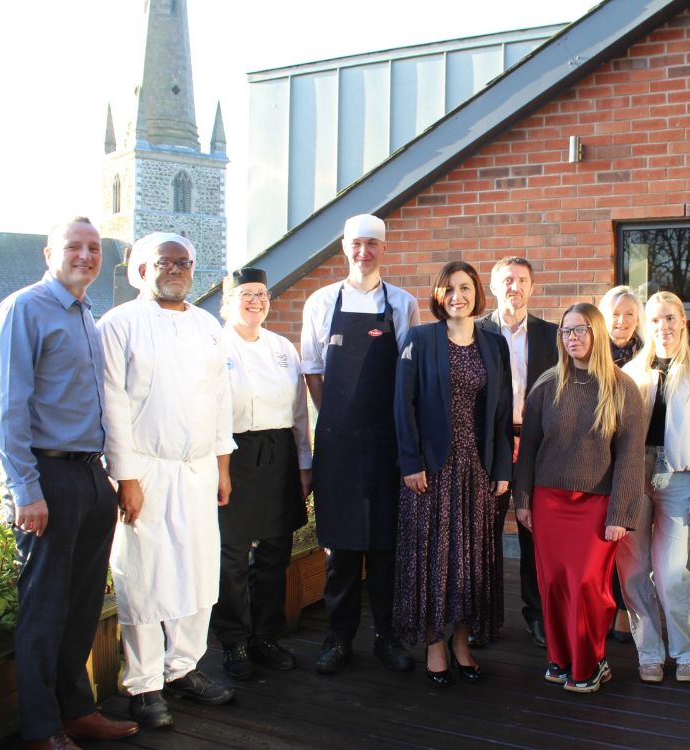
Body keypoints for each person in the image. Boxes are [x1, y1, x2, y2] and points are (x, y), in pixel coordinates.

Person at [0, 217, 139, 750]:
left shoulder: (84, 313)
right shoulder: (25, 308)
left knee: (80, 605)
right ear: (48, 253)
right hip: (48, 475)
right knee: (45, 607)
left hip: (89, 475)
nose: (85, 255)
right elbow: (9, 409)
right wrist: (25, 490)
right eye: (73, 247)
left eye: (94, 248)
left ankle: (76, 710)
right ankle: (40, 728)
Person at [99, 232, 235, 727]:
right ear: (141, 269)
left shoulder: (207, 326)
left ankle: (185, 668)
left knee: (197, 572)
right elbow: (112, 405)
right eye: (165, 262)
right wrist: (126, 477)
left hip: (199, 468)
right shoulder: (118, 325)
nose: (176, 269)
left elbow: (221, 399)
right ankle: (144, 683)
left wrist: (222, 467)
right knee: (145, 575)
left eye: (185, 261)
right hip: (145, 468)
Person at [300, 214, 419, 675]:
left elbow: (408, 374)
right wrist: (334, 417)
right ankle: (338, 637)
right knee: (342, 551)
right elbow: (312, 369)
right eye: (356, 244)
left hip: (388, 442)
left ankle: (388, 638)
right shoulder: (320, 301)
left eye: (372, 245)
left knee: (387, 549)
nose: (364, 253)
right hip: (339, 445)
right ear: (343, 247)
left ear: (383, 249)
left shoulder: (403, 304)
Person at [513, 302, 647, 694]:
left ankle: (589, 663)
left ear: (598, 333)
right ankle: (559, 659)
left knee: (589, 587)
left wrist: (621, 512)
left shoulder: (622, 389)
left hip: (597, 505)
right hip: (548, 502)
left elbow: (630, 458)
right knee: (553, 584)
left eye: (581, 330)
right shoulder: (546, 385)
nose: (573, 338)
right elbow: (530, 448)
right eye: (566, 331)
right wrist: (522, 500)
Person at [393, 261, 513, 686]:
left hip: (478, 470)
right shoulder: (421, 339)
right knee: (434, 560)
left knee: (470, 561)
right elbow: (402, 406)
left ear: (478, 293)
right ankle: (434, 644)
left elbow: (501, 414)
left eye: (465, 287)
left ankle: (462, 641)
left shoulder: (495, 345)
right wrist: (411, 463)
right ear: (439, 295)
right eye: (449, 288)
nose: (457, 295)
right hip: (432, 470)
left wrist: (502, 469)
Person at [211, 268, 313, 680]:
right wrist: (218, 469)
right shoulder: (214, 344)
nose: (255, 300)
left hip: (279, 454)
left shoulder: (283, 348)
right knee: (231, 556)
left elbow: (300, 413)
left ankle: (266, 637)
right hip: (232, 453)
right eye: (245, 294)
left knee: (275, 552)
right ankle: (234, 641)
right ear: (227, 301)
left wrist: (305, 463)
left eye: (261, 293)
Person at [618, 291, 690, 685]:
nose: (663, 327)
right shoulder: (630, 373)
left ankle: (685, 652)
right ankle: (649, 652)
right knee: (632, 570)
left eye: (670, 319)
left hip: (678, 476)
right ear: (647, 326)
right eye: (656, 320)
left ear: (683, 322)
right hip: (633, 475)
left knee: (671, 573)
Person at [474, 256, 558, 648]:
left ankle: (538, 614)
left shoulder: (551, 335)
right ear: (493, 287)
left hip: (537, 447)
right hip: (488, 447)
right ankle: (481, 617)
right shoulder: (473, 333)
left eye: (522, 280)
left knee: (536, 536)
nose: (514, 286)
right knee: (484, 537)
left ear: (532, 287)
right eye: (507, 280)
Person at [597, 285, 645, 642]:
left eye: (629, 313)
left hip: (634, 457)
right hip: (599, 461)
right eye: (615, 313)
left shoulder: (649, 355)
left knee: (630, 540)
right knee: (604, 539)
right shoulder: (593, 353)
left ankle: (629, 610)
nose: (622, 321)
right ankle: (607, 607)